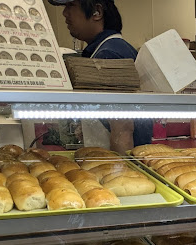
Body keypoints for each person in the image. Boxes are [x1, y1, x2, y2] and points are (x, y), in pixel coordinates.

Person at [48, 0, 152, 152]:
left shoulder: (108, 55)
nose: (65, 13)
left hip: (113, 165)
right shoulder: (109, 49)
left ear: (97, 12)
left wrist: (121, 169)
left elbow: (123, 129)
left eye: (71, 6)